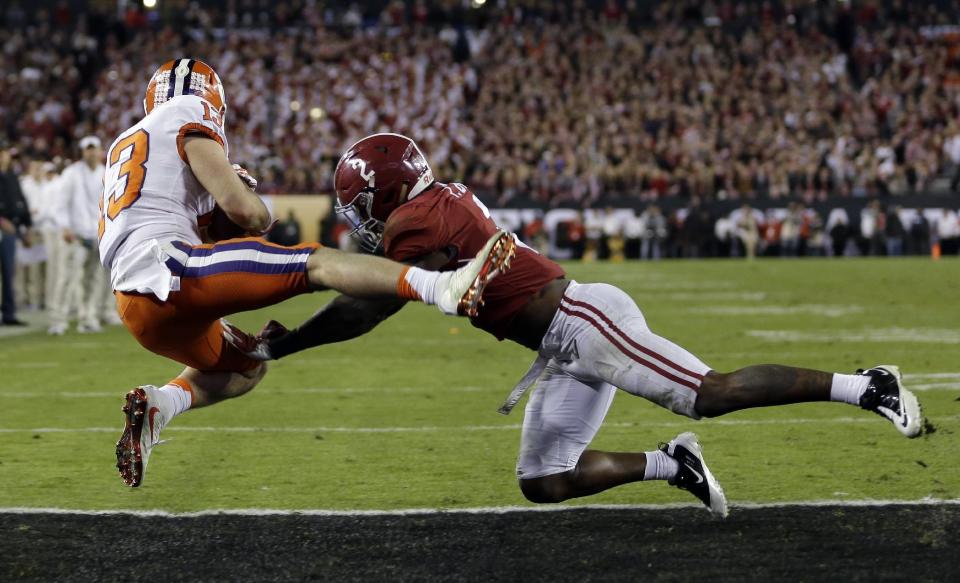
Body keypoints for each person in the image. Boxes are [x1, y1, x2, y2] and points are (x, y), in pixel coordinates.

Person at [225, 133, 925, 517]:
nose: (364, 220)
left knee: (712, 392)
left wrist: (295, 341)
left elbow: (368, 303)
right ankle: (669, 463)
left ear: (385, 194)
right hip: (562, 340)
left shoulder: (415, 220)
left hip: (583, 321)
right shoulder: (430, 203)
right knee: (543, 478)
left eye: (363, 205)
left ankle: (867, 385)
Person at [105, 60, 515, 488]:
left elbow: (191, 222)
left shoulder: (124, 146)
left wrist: (210, 212)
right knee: (316, 263)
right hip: (170, 269)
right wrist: (254, 206)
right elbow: (244, 211)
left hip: (136, 305)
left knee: (247, 366)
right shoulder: (186, 110)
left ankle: (159, 406)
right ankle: (443, 286)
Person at [48, 136, 117, 335]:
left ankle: (87, 317)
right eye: (87, 149)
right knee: (66, 278)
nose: (91, 152)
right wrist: (65, 228)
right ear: (82, 151)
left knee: (92, 279)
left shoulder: (107, 172)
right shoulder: (71, 173)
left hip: (96, 234)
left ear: (100, 150)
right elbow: (59, 205)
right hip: (75, 235)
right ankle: (57, 319)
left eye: (94, 149)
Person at [0, 143, 32, 326]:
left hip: (11, 231)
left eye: (5, 154)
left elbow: (22, 201)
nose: (5, 157)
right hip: (4, 226)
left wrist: (27, 226)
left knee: (9, 272)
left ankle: (9, 313)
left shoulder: (12, 177)